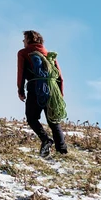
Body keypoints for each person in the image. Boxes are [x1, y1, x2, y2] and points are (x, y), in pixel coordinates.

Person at [18, 29, 69, 157]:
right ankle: (62, 150)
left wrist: (20, 90)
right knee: (53, 120)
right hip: (53, 90)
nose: (23, 41)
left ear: (29, 39)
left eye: (24, 38)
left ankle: (46, 140)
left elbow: (21, 72)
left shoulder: (24, 53)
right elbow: (60, 77)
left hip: (35, 89)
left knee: (31, 118)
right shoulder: (48, 54)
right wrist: (60, 94)